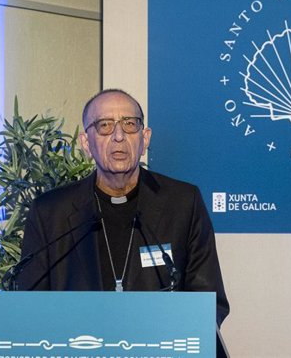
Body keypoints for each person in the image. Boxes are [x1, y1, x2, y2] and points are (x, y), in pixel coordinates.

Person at [17, 89, 229, 326]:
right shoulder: (50, 213)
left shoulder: (183, 203)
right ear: (86, 143)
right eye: (105, 125)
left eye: (130, 124)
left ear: (145, 138)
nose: (119, 136)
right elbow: (30, 308)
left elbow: (209, 302)